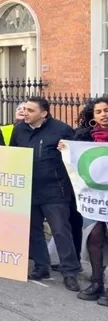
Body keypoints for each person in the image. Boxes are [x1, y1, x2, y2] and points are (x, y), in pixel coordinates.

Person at [11, 97, 80, 290]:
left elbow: (74, 157)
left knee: (60, 231)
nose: (25, 113)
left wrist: (67, 149)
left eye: (30, 110)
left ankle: (70, 272)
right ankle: (42, 267)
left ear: (43, 113)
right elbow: (12, 154)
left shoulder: (62, 130)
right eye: (24, 109)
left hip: (54, 190)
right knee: (34, 231)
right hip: (28, 189)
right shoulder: (19, 130)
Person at [66, 96, 108, 305]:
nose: (104, 115)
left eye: (106, 110)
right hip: (94, 199)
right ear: (92, 116)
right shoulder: (84, 137)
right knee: (94, 237)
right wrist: (65, 151)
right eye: (99, 112)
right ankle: (96, 281)